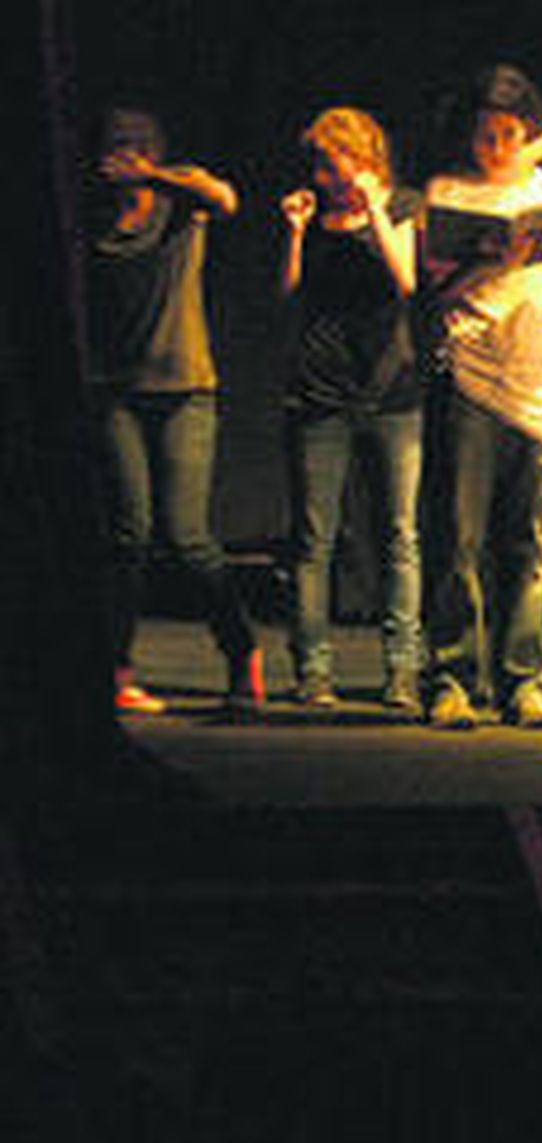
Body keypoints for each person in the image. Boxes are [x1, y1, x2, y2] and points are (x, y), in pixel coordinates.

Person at [418, 63, 542, 731]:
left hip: (538, 379)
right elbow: (439, 288)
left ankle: (523, 681)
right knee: (458, 541)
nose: (495, 147)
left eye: (508, 134)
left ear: (527, 132)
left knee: (529, 544)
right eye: (485, 135)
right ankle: (451, 678)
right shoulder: (449, 190)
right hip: (470, 376)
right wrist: (506, 254)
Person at [86, 106, 263, 718]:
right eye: (117, 146)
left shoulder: (179, 201)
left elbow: (227, 199)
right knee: (127, 536)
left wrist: (155, 174)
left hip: (186, 388)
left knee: (188, 537)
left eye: (138, 145)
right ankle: (117, 668)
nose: (126, 154)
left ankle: (241, 653)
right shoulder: (93, 215)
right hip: (117, 391)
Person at [278, 106, 425, 718]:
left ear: (363, 157)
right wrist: (291, 232)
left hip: (392, 392)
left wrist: (375, 215)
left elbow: (406, 281)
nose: (324, 175)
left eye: (332, 162)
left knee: (400, 535)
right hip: (321, 392)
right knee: (315, 540)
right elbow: (288, 293)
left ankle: (402, 673)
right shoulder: (311, 216)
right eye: (318, 165)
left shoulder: (403, 205)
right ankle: (313, 671)